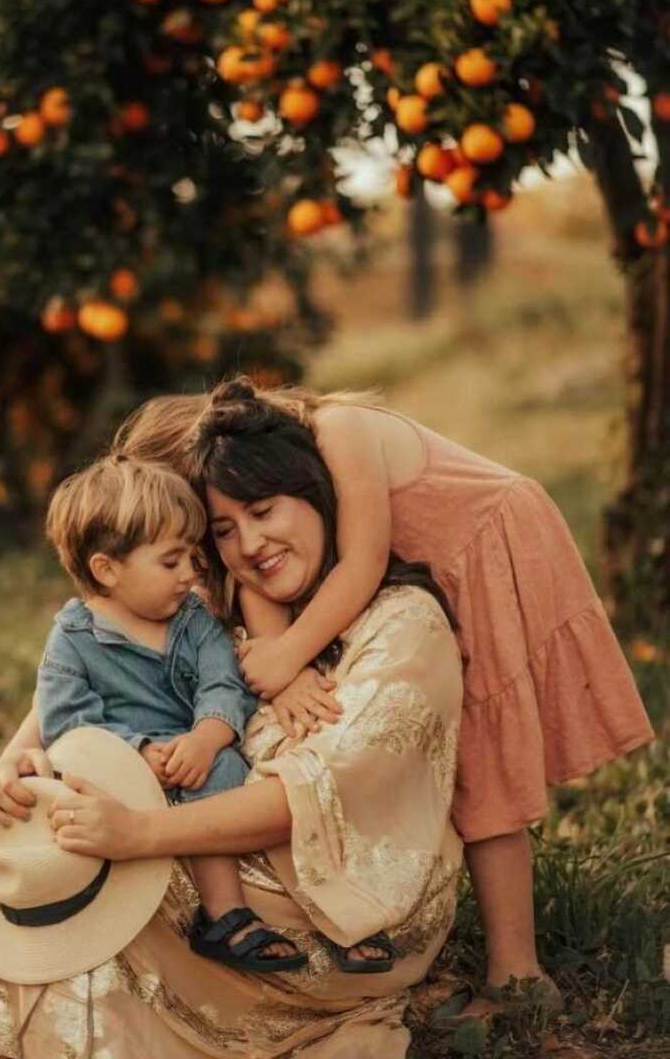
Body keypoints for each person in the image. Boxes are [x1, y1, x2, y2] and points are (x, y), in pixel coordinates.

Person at [0, 403, 465, 1058]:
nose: (249, 545)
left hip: (339, 918)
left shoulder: (404, 627)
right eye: (224, 529)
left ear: (319, 496)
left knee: (89, 863)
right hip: (215, 858)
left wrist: (139, 834)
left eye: (265, 510)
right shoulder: (221, 608)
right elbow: (81, 682)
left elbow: (308, 799)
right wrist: (11, 763)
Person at [110, 376, 654, 1015]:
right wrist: (281, 664)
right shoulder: (263, 505)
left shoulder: (340, 430)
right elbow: (252, 576)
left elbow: (364, 560)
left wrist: (285, 655)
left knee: (486, 759)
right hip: (416, 574)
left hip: (479, 546)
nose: (231, 540)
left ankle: (519, 976)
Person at [35, 453, 308, 973]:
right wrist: (137, 752)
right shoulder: (72, 641)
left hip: (196, 760)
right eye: (170, 561)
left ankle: (226, 915)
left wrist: (206, 736)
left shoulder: (195, 620)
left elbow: (223, 681)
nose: (189, 574)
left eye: (190, 558)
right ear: (106, 569)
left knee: (225, 766)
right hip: (119, 773)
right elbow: (68, 724)